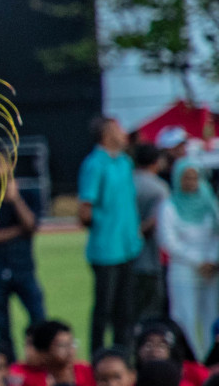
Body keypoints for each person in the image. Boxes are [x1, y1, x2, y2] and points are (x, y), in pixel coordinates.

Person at [78, 116, 143, 351]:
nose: (123, 132)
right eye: (117, 129)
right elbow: (84, 209)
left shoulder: (125, 162)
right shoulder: (95, 164)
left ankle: (122, 354)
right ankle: (97, 354)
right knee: (104, 308)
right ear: (106, 135)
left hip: (128, 245)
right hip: (106, 248)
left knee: (125, 308)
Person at [0, 150, 45, 362]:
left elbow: (31, 224)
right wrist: (19, 231)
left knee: (38, 317)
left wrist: (15, 199)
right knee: (2, 323)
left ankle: (40, 357)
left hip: (23, 267)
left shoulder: (27, 192)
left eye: (0, 163)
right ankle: (8, 362)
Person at [158, 158, 219, 361]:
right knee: (185, 318)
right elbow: (169, 241)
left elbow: (215, 235)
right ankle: (188, 360)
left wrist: (212, 259)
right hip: (183, 271)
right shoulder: (170, 206)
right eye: (187, 177)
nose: (191, 182)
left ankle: (211, 360)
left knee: (211, 317)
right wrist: (197, 261)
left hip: (211, 271)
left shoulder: (210, 203)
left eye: (195, 177)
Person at [7, 320, 95, 386]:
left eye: (72, 344)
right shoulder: (32, 384)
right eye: (62, 346)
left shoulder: (88, 372)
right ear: (44, 353)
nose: (71, 350)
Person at [132, 143, 170, 322]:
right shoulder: (159, 188)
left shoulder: (126, 183)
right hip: (150, 260)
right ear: (157, 161)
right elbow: (158, 222)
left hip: (124, 259)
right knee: (151, 314)